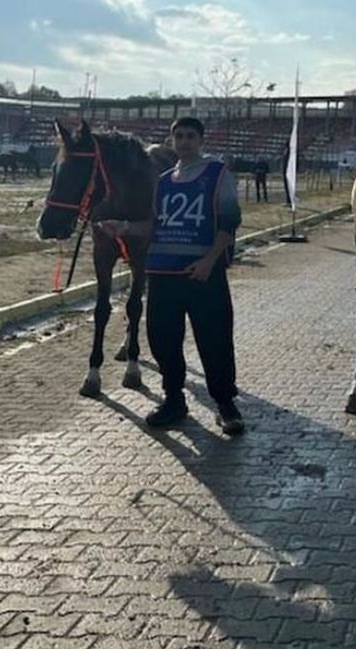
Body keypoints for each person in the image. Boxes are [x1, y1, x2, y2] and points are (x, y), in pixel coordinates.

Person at [98, 116, 245, 436]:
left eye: (190, 136)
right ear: (171, 141)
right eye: (178, 136)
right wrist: (123, 227)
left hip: (202, 274)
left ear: (201, 140)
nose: (184, 142)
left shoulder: (218, 174)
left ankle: (225, 404)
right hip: (162, 273)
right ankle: (173, 399)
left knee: (215, 340)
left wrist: (209, 261)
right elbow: (154, 225)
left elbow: (228, 225)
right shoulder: (163, 180)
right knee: (163, 340)